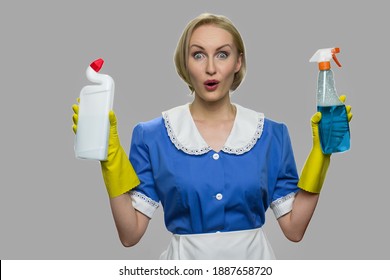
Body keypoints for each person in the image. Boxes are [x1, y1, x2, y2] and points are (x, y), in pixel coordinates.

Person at [72, 13, 352, 259]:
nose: (210, 68)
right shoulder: (152, 136)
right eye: (198, 54)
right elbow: (130, 235)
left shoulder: (272, 135)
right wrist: (109, 159)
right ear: (185, 63)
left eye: (222, 54)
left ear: (238, 62)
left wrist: (321, 154)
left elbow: (294, 229)